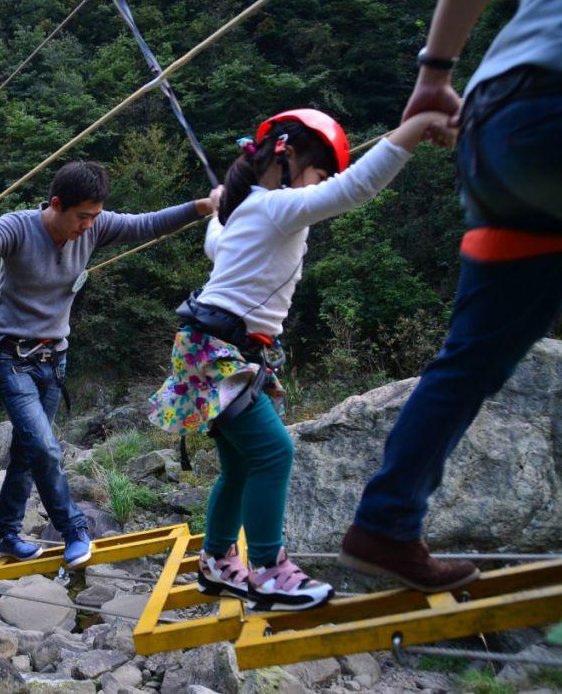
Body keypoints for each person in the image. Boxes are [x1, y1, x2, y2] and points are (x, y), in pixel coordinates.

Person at [149, 108, 453, 611]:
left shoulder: (251, 210)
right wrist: (411, 130)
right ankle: (268, 569)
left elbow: (215, 244)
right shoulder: (276, 206)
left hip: (215, 348)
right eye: (320, 173)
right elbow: (356, 188)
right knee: (273, 453)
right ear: (286, 156)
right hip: (220, 352)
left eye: (325, 178)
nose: (323, 185)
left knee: (242, 467)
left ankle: (216, 561)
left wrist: (221, 207)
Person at [340, 0, 562, 592]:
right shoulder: (261, 213)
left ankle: (385, 523)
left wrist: (433, 74)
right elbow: (342, 193)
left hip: (497, 124)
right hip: (542, 110)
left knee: (471, 358)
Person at [0, 161, 219, 567]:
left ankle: (5, 532)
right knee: (44, 446)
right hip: (11, 358)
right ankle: (74, 528)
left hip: (54, 360)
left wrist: (204, 206)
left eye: (95, 216)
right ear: (57, 204)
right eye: (82, 217)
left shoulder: (94, 225)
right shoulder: (19, 227)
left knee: (27, 452)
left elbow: (145, 224)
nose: (89, 226)